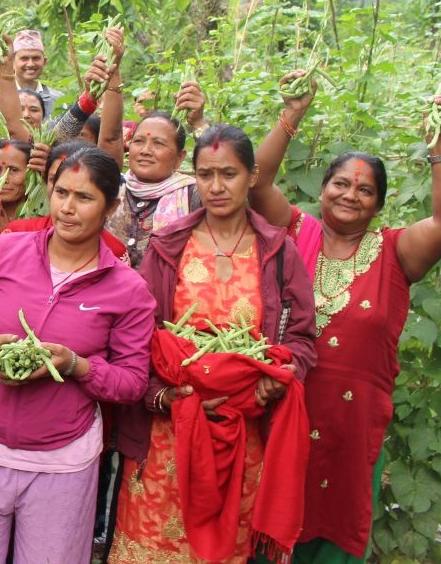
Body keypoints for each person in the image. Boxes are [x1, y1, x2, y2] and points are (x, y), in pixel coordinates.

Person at [248, 75, 441, 562]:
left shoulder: (396, 253)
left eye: (365, 190)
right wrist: (292, 114)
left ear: (379, 203)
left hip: (352, 425)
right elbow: (256, 181)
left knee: (334, 534)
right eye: (341, 184)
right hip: (281, 413)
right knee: (269, 527)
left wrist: (440, 144)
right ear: (323, 189)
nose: (350, 195)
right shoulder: (293, 232)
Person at [111, 125, 318, 564]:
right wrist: (164, 397)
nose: (216, 186)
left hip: (241, 432)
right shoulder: (168, 247)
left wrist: (274, 381)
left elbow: (300, 337)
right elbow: (138, 335)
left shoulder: (278, 251)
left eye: (229, 173)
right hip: (168, 432)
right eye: (206, 174)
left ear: (252, 176)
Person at [0, 147, 157, 563]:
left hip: (62, 461)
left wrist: (75, 365)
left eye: (84, 198)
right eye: (61, 192)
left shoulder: (127, 289)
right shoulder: (5, 252)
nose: (67, 208)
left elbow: (131, 381)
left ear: (110, 206)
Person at [107, 111, 203, 268]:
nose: (145, 150)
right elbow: (108, 138)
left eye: (158, 143)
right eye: (138, 141)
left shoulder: (193, 196)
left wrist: (199, 124)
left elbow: (222, 179)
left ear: (180, 157)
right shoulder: (113, 188)